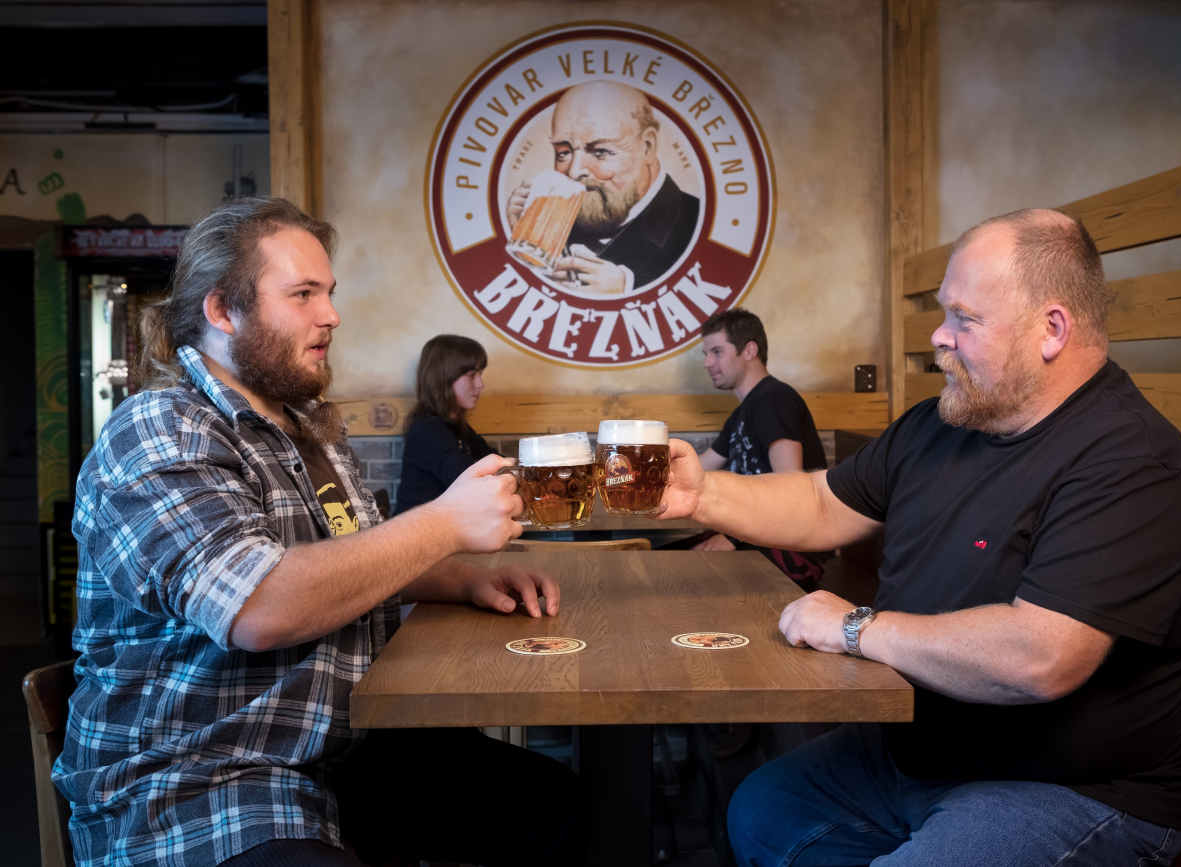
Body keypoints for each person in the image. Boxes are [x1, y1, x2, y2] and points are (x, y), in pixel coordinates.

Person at [657, 209, 1181, 866]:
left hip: (1067, 788)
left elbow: (1041, 657)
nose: (938, 336)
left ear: (1052, 329)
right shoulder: (938, 425)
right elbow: (820, 501)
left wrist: (857, 627)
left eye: (963, 318)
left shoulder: (1132, 462)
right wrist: (702, 495)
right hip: (911, 752)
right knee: (760, 809)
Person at [53, 198, 585, 867]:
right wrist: (445, 522)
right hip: (202, 779)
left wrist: (464, 579)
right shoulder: (161, 428)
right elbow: (259, 607)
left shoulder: (307, 429)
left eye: (328, 293)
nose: (330, 315)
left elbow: (352, 557)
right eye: (303, 294)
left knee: (566, 809)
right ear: (222, 311)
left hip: (338, 751)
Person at [506, 80, 700, 295]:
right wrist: (526, 240)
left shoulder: (695, 224)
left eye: (600, 152)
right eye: (564, 153)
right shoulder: (552, 220)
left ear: (647, 147)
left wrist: (629, 287)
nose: (575, 172)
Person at [691, 308, 829, 587]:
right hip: (757, 538)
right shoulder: (741, 414)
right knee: (667, 560)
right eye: (706, 354)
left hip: (791, 548)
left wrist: (733, 537)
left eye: (717, 352)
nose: (707, 363)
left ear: (750, 350)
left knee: (679, 574)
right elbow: (698, 468)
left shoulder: (773, 399)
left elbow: (791, 486)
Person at [393, 334, 498, 515]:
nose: (480, 384)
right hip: (417, 530)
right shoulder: (427, 428)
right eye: (471, 375)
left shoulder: (454, 425)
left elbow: (494, 458)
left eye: (480, 374)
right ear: (443, 379)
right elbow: (471, 480)